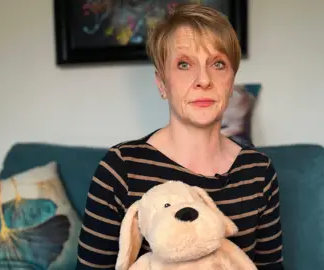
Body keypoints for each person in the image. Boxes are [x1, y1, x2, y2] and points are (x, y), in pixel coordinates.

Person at [76, 3, 284, 270]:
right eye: (184, 64)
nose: (203, 80)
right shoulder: (120, 169)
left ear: (231, 81)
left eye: (218, 64)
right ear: (162, 83)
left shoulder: (259, 172)